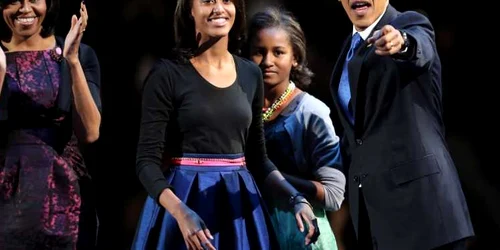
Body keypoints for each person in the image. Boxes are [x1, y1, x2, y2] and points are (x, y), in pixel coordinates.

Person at [132, 0, 319, 249]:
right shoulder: (167, 74)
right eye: (208, 1)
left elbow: (258, 159)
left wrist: (295, 197)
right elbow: (146, 162)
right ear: (190, 9)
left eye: (226, 0)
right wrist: (180, 212)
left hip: (238, 206)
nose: (219, 8)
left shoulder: (251, 74)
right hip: (184, 202)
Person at [328, 0, 474, 249]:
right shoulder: (346, 50)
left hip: (423, 214)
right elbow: (358, 136)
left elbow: (419, 47)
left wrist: (402, 42)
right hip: (378, 221)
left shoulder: (409, 23)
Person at [0, 0, 101, 249]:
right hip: (6, 196)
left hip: (66, 196)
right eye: (13, 1)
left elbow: (90, 132)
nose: (25, 9)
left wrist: (72, 60)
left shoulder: (79, 53)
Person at [246, 7, 346, 250]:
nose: (267, 61)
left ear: (295, 58)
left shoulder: (311, 112)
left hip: (302, 236)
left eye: (278, 52)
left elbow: (334, 196)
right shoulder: (239, 109)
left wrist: (271, 179)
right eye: (259, 52)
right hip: (251, 232)